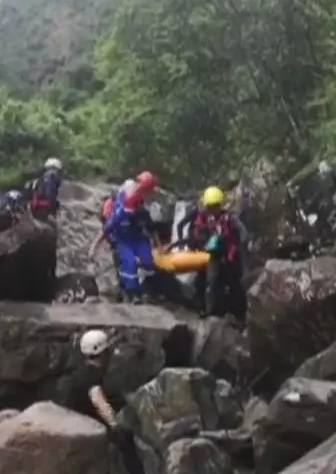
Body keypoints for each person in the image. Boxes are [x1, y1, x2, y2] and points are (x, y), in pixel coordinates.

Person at [61, 329, 144, 474]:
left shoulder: (80, 372)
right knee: (126, 439)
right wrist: (115, 425)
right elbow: (97, 399)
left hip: (75, 422)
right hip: (86, 427)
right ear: (103, 353)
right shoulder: (91, 375)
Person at [175, 186, 248, 319]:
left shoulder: (229, 218)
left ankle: (235, 311)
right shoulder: (201, 217)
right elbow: (190, 230)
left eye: (214, 206)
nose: (211, 209)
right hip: (210, 254)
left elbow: (242, 234)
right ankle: (208, 310)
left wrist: (237, 247)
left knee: (231, 281)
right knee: (209, 281)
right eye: (209, 206)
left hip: (227, 253)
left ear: (219, 205)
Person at [88, 171, 159, 303]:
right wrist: (94, 248)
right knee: (129, 263)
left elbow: (151, 228)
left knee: (148, 261)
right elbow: (106, 230)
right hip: (123, 240)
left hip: (137, 238)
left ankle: (148, 289)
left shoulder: (141, 210)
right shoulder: (120, 213)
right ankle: (131, 292)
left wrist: (158, 246)